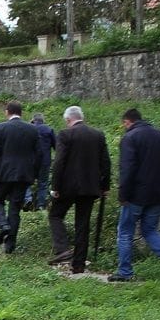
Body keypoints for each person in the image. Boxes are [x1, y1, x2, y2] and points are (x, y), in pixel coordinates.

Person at [109, 107, 160, 282]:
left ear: (127, 121)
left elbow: (128, 168)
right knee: (149, 230)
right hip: (158, 193)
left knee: (125, 232)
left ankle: (125, 272)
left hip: (136, 194)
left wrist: (123, 194)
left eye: (124, 124)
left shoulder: (130, 138)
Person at [47, 105, 109, 274]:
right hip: (90, 187)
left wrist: (55, 187)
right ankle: (79, 265)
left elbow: (59, 162)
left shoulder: (65, 134)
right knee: (83, 224)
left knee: (55, 215)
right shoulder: (98, 135)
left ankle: (63, 249)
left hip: (68, 186)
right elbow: (105, 162)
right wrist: (105, 186)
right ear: (82, 117)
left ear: (68, 120)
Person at [0, 101, 39, 253]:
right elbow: (39, 154)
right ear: (21, 113)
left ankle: (3, 225)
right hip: (24, 175)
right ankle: (10, 247)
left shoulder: (1, 128)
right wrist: (34, 174)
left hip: (4, 173)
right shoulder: (32, 129)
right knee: (15, 209)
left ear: (7, 112)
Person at [23, 111, 55, 209]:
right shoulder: (49, 129)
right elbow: (56, 145)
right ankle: (41, 205)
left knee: (27, 182)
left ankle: (28, 200)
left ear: (33, 120)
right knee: (43, 184)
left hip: (30, 161)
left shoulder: (28, 129)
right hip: (45, 162)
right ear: (43, 120)